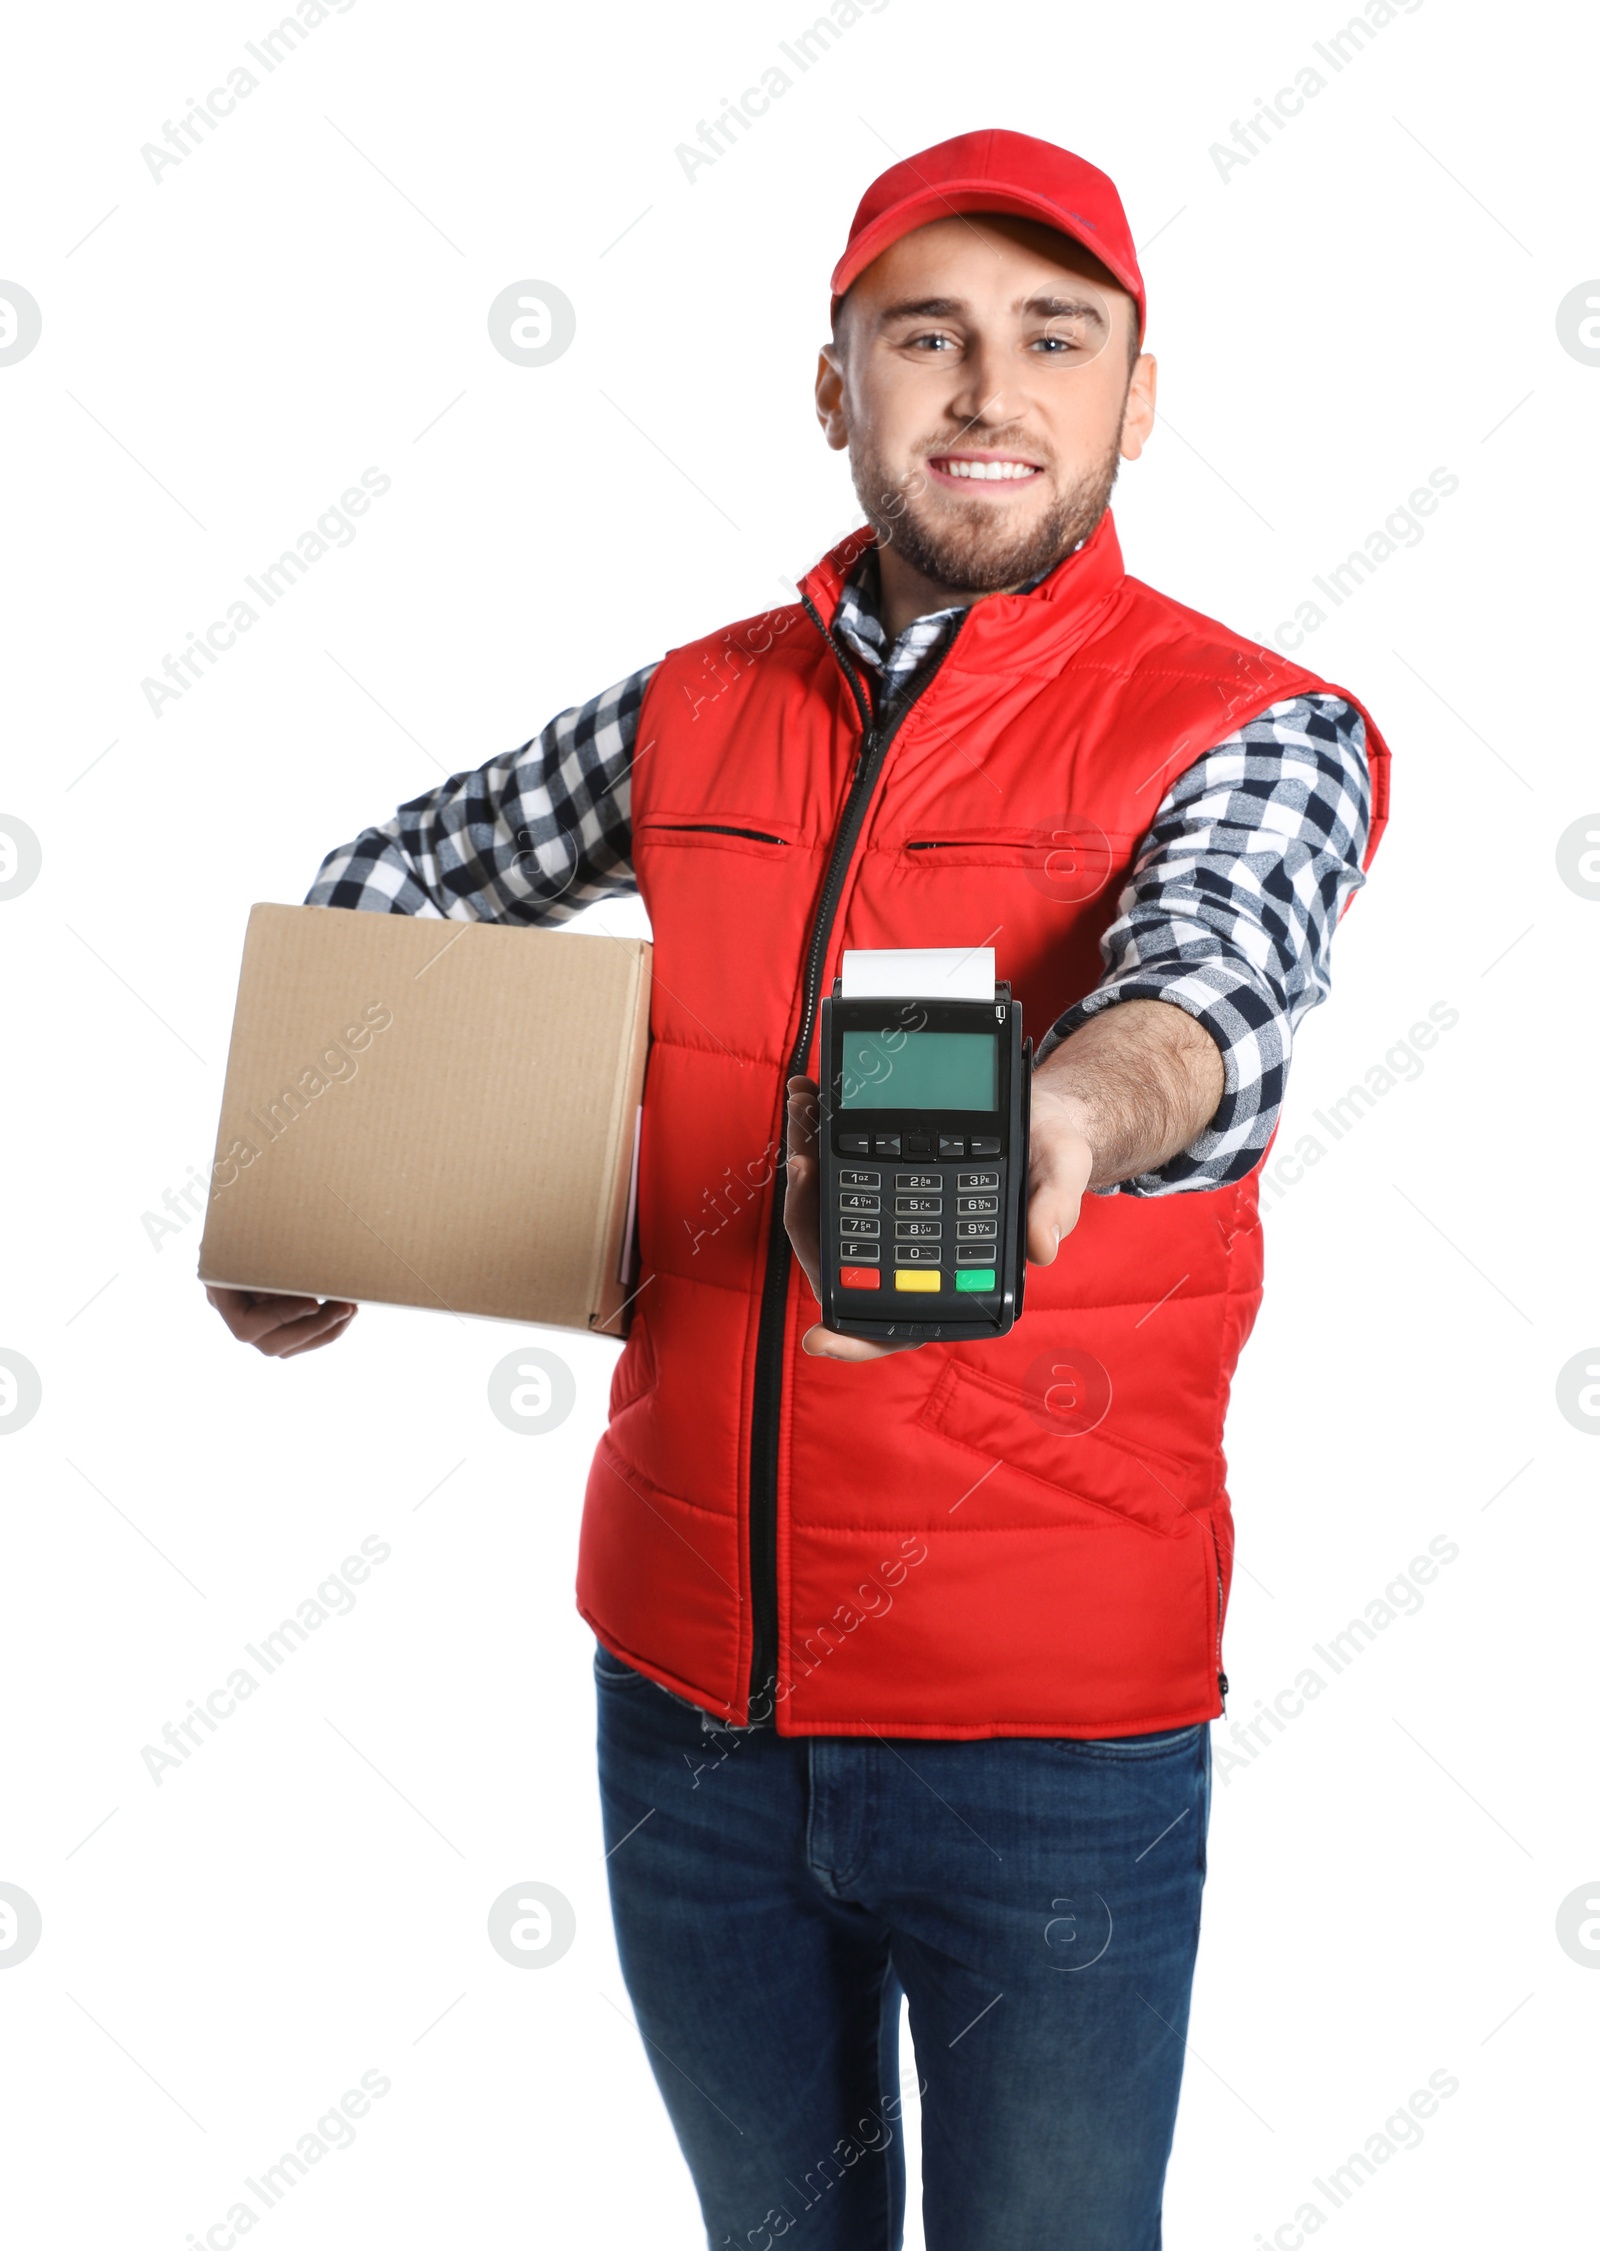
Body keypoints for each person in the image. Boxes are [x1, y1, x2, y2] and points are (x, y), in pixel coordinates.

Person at [207, 130, 1389, 2251]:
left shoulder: (1248, 724)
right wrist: (318, 1181)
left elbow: (1215, 978)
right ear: (831, 386)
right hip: (686, 1710)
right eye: (920, 336)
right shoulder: (690, 706)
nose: (985, 392)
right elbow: (395, 884)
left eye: (1053, 339)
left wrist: (1076, 1113)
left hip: (1048, 1738)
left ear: (1137, 395)